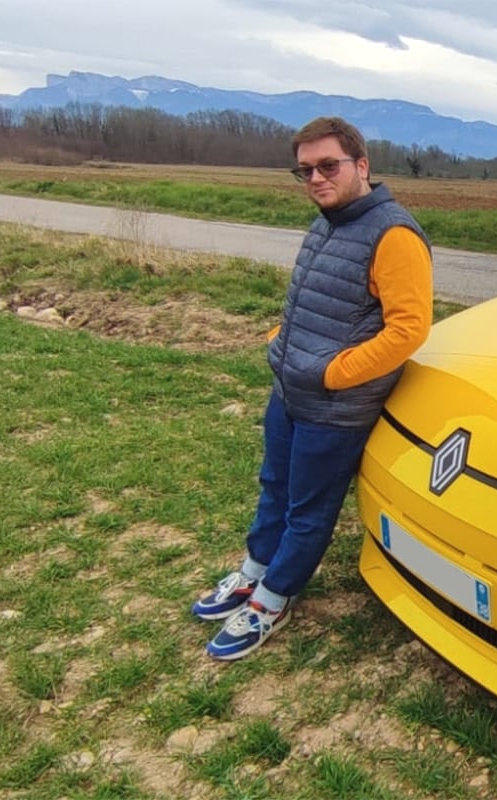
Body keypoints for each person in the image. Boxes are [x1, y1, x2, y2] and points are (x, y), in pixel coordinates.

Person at [192, 116, 433, 660]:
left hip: (334, 408)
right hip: (291, 390)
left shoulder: (394, 235)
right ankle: (253, 573)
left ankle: (272, 602)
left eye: (329, 166)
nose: (317, 179)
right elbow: (310, 301)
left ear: (361, 165)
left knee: (308, 509)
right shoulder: (327, 222)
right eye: (305, 171)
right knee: (273, 485)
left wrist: (330, 373)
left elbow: (409, 331)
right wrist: (282, 343)